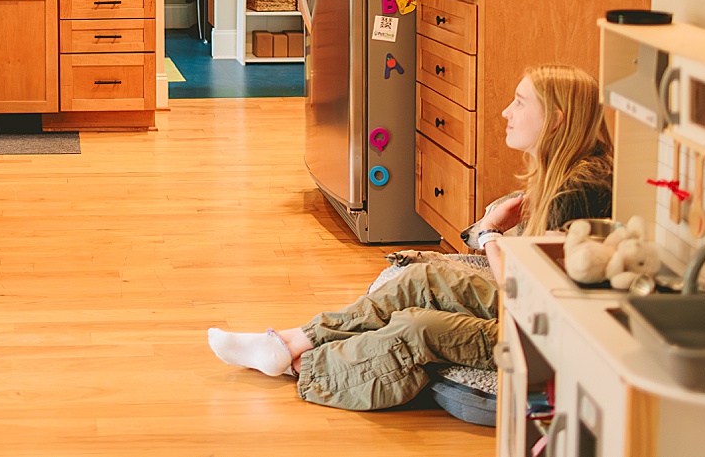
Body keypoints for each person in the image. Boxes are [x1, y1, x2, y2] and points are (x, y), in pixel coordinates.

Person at [207, 64, 613, 411]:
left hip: (544, 335)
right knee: (423, 278)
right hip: (537, 312)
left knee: (418, 326)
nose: (506, 111)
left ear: (557, 119)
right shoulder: (568, 171)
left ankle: (305, 365)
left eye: (521, 102)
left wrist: (490, 233)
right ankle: (289, 341)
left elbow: (523, 294)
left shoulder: (575, 191)